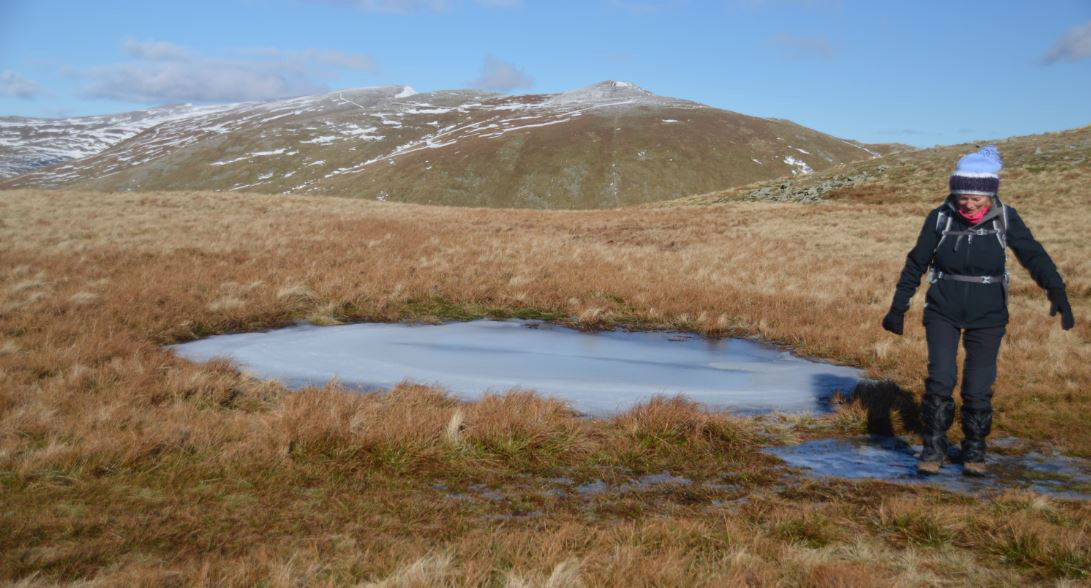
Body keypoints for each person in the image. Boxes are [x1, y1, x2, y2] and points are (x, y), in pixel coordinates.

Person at [880, 145, 1074, 476]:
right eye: (962, 196)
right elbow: (916, 263)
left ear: (990, 195)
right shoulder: (940, 218)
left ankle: (974, 450)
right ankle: (934, 447)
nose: (969, 203)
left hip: (989, 315)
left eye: (976, 198)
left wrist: (1057, 292)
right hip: (942, 310)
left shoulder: (1006, 219)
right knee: (940, 379)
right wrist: (899, 306)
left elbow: (1035, 256)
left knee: (978, 385)